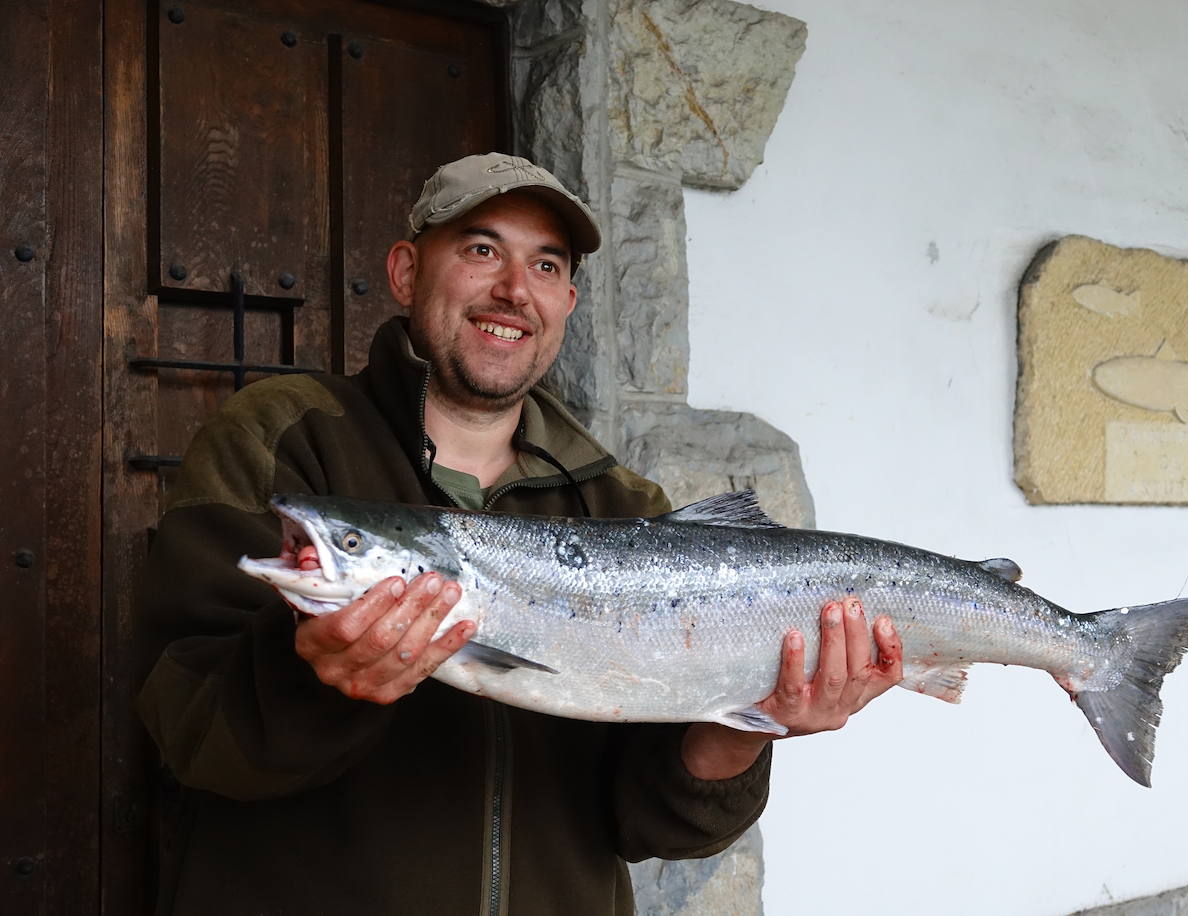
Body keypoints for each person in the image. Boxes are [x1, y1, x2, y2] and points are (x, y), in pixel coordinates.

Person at [136, 152, 905, 915]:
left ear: (568, 302)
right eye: (481, 250)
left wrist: (750, 723)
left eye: (545, 265)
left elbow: (646, 824)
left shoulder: (625, 504)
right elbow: (188, 733)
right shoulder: (281, 440)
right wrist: (312, 676)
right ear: (405, 272)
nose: (513, 289)